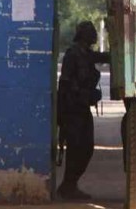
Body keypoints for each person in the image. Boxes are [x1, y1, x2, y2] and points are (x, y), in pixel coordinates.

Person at [56, 21, 110, 200]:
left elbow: (105, 57)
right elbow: (64, 84)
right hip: (72, 110)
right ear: (83, 35)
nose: (94, 35)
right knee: (75, 149)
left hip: (82, 108)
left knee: (86, 149)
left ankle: (69, 185)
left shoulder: (87, 54)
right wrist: (64, 112)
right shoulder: (72, 54)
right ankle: (68, 187)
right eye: (91, 32)